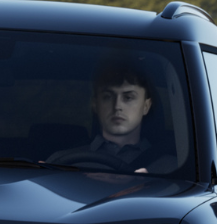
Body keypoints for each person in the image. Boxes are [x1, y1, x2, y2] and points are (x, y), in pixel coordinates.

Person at [47, 57, 176, 173]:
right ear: (95, 104)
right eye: (107, 97)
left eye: (128, 97)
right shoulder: (60, 162)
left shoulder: (170, 169)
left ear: (146, 106)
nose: (117, 106)